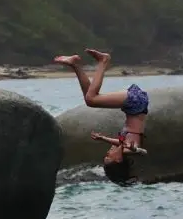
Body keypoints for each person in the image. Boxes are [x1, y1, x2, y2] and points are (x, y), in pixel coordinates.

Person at [54, 48, 148, 186]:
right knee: (92, 99)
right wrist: (135, 148)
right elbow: (141, 151)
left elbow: (118, 143)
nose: (108, 152)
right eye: (109, 156)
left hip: (132, 106)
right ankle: (103, 61)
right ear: (118, 160)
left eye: (106, 155)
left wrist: (102, 138)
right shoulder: (129, 149)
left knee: (89, 98)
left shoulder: (123, 147)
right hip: (137, 103)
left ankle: (75, 65)